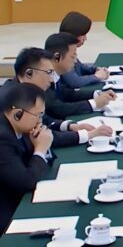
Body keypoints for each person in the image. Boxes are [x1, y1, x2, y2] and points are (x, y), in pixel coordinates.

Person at [1, 48, 112, 147]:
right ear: (29, 73)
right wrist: (87, 135)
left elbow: (44, 120)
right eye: (48, 73)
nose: (51, 79)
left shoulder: (28, 90)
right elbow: (40, 135)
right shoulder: (12, 100)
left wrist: (70, 126)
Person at [0, 82, 54, 232]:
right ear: (18, 114)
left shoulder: (19, 127)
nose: (40, 121)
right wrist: (41, 149)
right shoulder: (2, 139)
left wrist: (41, 147)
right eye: (38, 115)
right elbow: (26, 182)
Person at [43, 33, 116, 120]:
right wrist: (94, 104)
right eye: (72, 56)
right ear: (57, 57)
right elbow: (59, 108)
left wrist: (96, 94)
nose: (75, 61)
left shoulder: (55, 74)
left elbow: (67, 93)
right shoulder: (43, 79)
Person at [59, 11, 109, 88]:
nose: (85, 38)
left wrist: (95, 69)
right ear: (75, 34)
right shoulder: (61, 51)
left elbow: (79, 67)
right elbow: (74, 82)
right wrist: (96, 76)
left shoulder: (67, 47)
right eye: (84, 35)